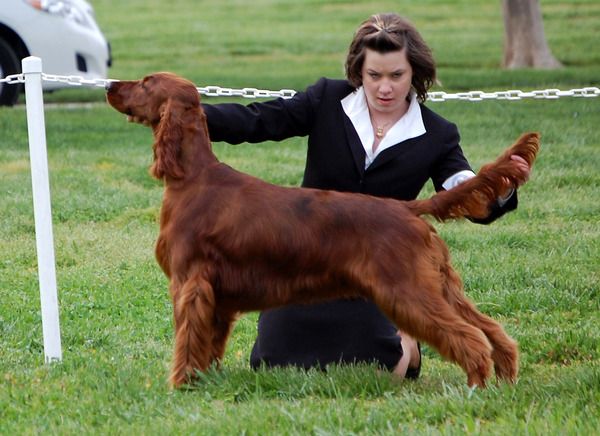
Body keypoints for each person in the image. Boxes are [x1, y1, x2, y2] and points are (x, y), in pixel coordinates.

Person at [201, 13, 531, 379]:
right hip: (305, 264)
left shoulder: (437, 133)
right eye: (374, 75)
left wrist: (499, 188)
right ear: (359, 71)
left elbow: (459, 187)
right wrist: (185, 112)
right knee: (272, 362)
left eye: (396, 75)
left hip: (380, 270)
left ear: (415, 73)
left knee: (376, 364)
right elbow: (257, 120)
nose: (384, 88)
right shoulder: (327, 99)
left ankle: (406, 339)